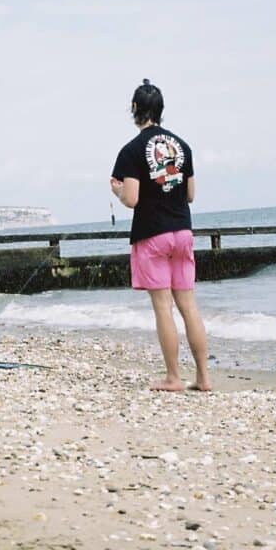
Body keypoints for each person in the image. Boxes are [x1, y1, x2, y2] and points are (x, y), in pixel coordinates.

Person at [110, 79, 212, 392]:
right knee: (189, 306)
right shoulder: (183, 146)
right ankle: (204, 378)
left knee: (163, 307)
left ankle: (173, 378)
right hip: (182, 231)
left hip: (153, 235)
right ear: (161, 110)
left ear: (135, 110)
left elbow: (133, 199)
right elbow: (191, 194)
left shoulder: (131, 150)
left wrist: (117, 191)